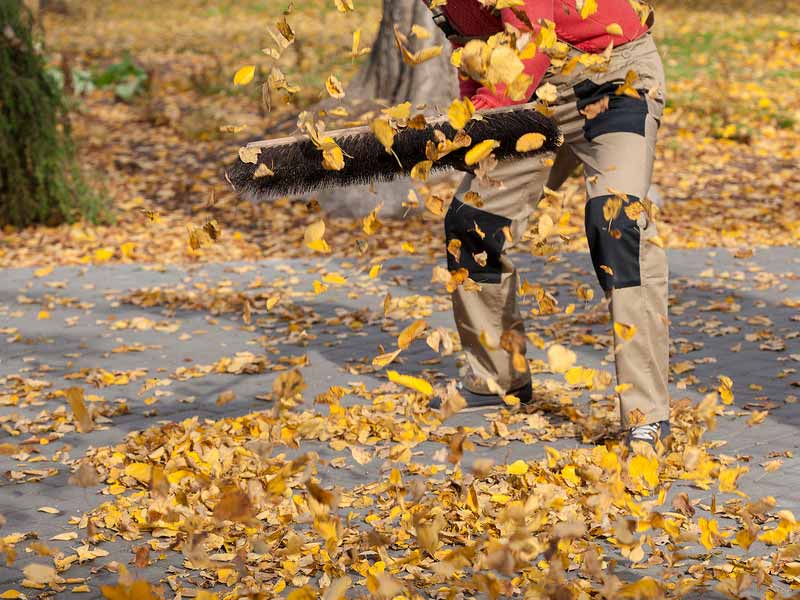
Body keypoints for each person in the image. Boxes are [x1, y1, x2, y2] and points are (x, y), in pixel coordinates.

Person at [425, 0, 671, 447]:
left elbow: (529, 43)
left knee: (617, 224)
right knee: (472, 224)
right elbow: (475, 49)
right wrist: (470, 121)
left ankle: (645, 413)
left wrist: (473, 119)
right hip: (533, 94)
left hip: (614, 77)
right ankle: (498, 378)